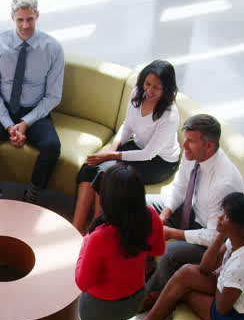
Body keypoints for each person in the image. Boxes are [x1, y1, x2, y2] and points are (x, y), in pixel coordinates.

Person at [122, 192, 244, 320]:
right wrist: (220, 235)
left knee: (181, 290)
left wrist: (218, 275)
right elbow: (205, 268)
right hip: (237, 298)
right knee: (185, 274)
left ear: (242, 227)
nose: (219, 217)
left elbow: (222, 308)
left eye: (226, 216)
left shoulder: (243, 265)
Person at [74, 165, 165, 320]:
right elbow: (158, 250)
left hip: (100, 306)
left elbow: (82, 282)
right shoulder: (149, 216)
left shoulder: (99, 237)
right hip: (134, 296)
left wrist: (83, 248)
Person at [0, 0, 64, 204]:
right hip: (2, 109)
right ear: (12, 18)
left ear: (37, 16)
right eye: (20, 19)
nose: (25, 25)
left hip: (35, 112)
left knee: (52, 146)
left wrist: (25, 123)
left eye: (29, 19)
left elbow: (53, 96)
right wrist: (9, 125)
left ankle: (33, 193)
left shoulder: (53, 48)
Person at [141, 113, 244, 306]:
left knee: (169, 254)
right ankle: (144, 266)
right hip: (191, 210)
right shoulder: (193, 155)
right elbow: (180, 186)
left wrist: (174, 233)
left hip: (212, 236)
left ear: (209, 146)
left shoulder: (222, 184)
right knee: (142, 209)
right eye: (185, 139)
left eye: (190, 141)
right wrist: (165, 214)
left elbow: (215, 236)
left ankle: (152, 297)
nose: (184, 145)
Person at [72, 59, 181, 234]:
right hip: (137, 148)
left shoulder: (170, 115)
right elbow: (128, 125)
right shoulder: (138, 93)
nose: (149, 91)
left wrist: (111, 156)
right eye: (147, 84)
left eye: (156, 87)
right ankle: (76, 227)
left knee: (106, 176)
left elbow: (148, 154)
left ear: (166, 88)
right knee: (89, 167)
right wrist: (113, 147)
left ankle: (94, 231)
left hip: (160, 162)